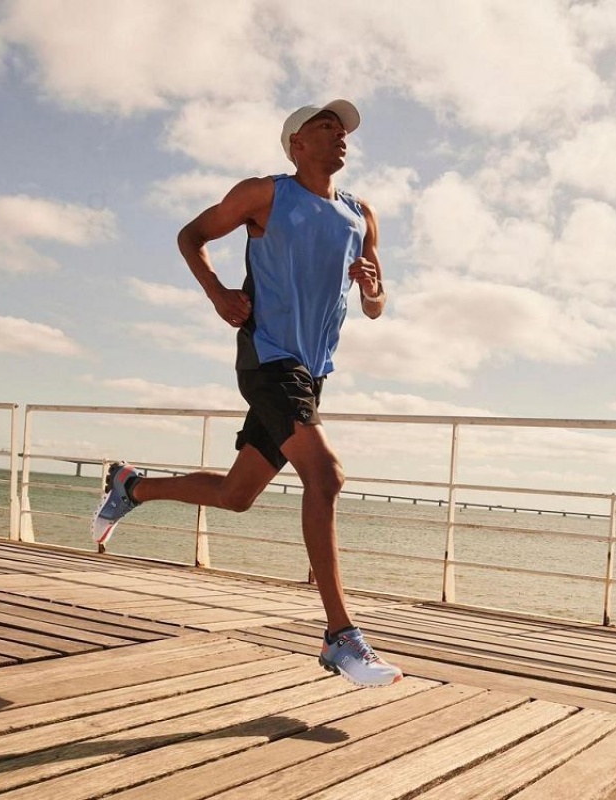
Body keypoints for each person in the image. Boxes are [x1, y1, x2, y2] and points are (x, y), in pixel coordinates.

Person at [92, 99, 402, 688]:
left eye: (343, 130)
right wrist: (217, 294)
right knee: (327, 476)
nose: (338, 135)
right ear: (296, 144)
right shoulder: (264, 194)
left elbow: (376, 305)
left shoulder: (361, 214)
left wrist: (373, 289)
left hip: (311, 372)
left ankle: (132, 485)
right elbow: (191, 235)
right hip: (267, 358)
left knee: (238, 495)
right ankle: (341, 636)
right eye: (324, 126)